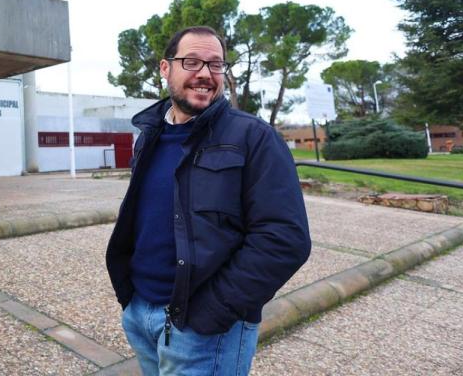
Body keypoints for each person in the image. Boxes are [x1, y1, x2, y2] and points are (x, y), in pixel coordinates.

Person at [106, 26, 311, 375]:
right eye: (192, 61)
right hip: (141, 314)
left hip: (206, 330)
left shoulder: (254, 137)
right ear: (165, 68)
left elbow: (284, 239)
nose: (205, 74)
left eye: (216, 65)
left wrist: (210, 313)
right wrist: (130, 299)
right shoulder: (149, 137)